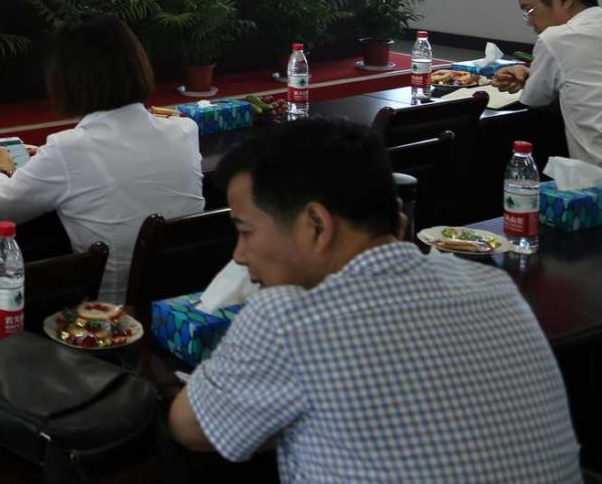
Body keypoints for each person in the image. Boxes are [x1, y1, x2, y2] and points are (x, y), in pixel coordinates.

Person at [168, 120, 579, 481]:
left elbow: (188, 426)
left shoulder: (288, 320)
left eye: (246, 231)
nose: (240, 255)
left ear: (316, 225)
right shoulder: (491, 285)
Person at [0, 15, 201, 302]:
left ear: (66, 80)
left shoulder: (69, 149)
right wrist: (45, 156)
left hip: (107, 316)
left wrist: (2, 171)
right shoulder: (184, 130)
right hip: (182, 304)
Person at [494, 0, 602, 166]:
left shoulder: (557, 38)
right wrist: (533, 73)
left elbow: (534, 100)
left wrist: (529, 79)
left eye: (529, 10)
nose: (529, 21)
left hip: (594, 179)